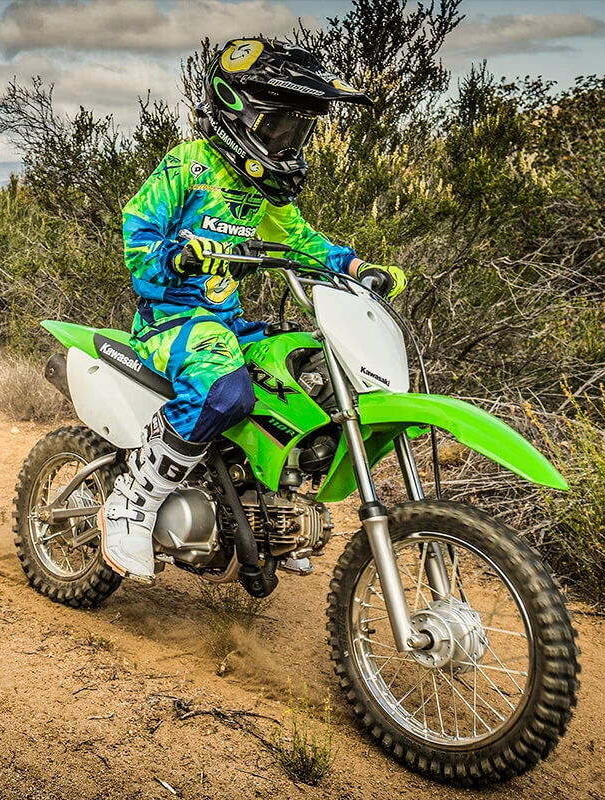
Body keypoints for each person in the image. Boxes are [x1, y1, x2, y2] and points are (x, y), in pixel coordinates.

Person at [100, 38, 408, 582]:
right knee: (226, 389)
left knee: (308, 375)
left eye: (298, 129)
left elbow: (303, 242)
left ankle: (268, 509)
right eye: (280, 126)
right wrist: (179, 258)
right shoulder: (189, 167)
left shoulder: (264, 194)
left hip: (229, 323)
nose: (289, 139)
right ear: (237, 110)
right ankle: (135, 497)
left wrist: (357, 269)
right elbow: (137, 236)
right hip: (171, 320)